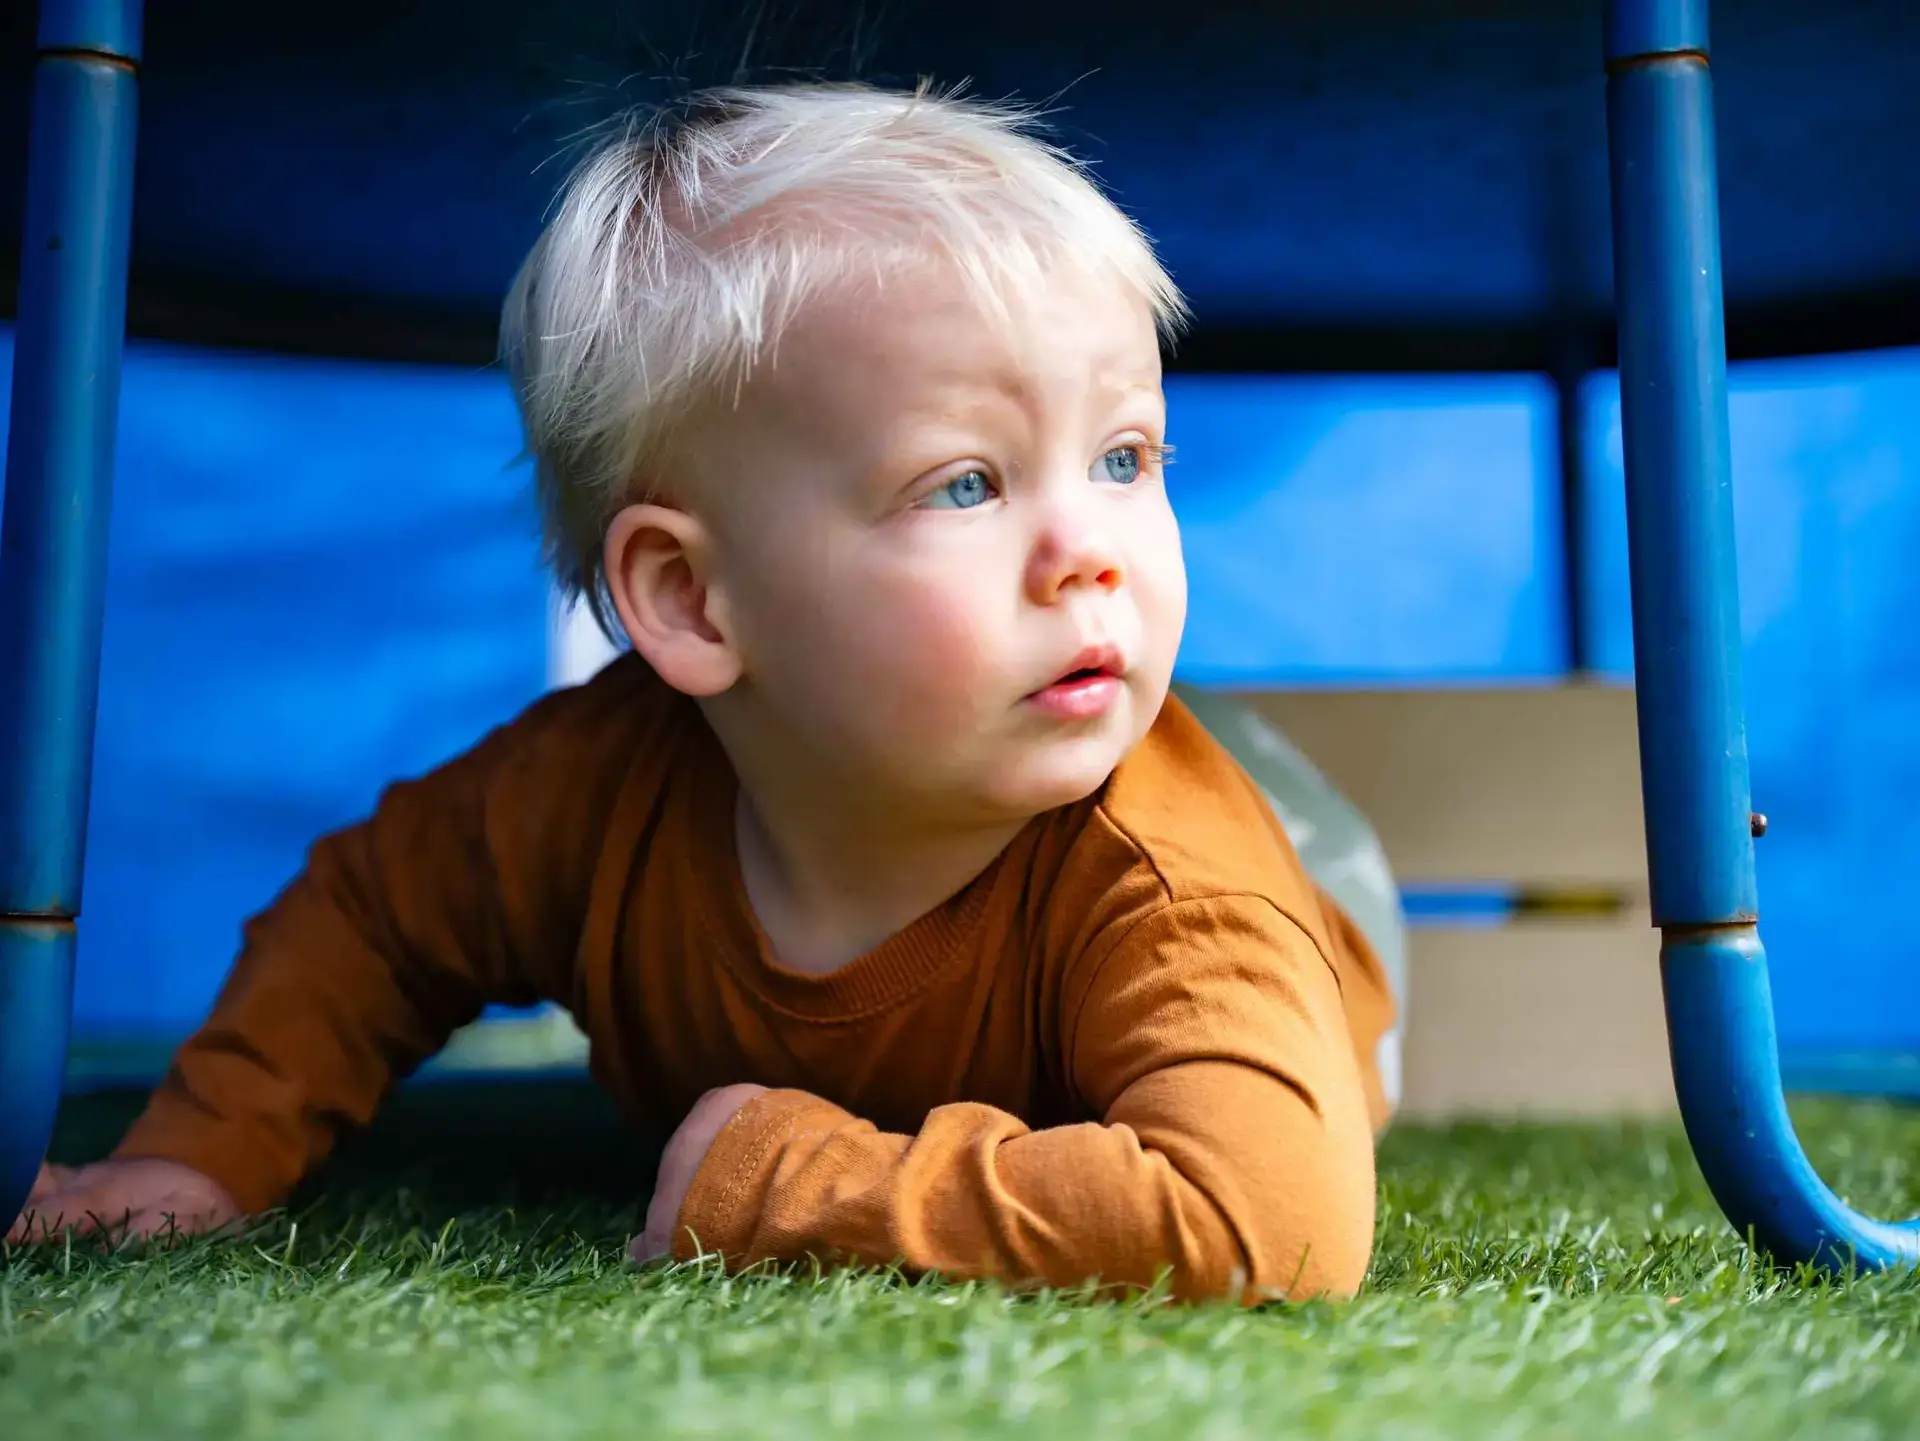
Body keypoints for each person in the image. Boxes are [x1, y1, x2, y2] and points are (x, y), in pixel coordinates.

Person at [9, 83, 1398, 1303]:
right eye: (965, 482)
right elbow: (370, 918)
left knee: (1266, 894)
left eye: (1125, 458)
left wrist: (789, 1181)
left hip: (1309, 890)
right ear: (687, 599)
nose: (1089, 553)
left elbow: (1263, 1216)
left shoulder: (1178, 902)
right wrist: (195, 1157)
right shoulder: (589, 795)